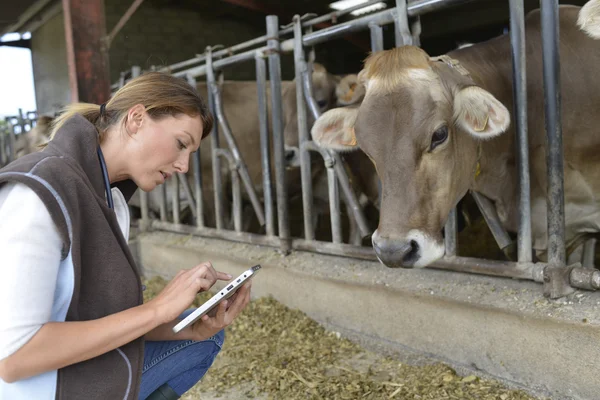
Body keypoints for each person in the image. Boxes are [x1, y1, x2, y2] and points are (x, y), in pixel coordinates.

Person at [0, 71, 252, 400]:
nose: (184, 167)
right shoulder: (39, 193)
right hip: (38, 389)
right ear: (136, 119)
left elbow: (98, 321)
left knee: (202, 337)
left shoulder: (110, 198)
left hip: (73, 370)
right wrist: (157, 310)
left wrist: (185, 328)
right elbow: (14, 358)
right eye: (180, 144)